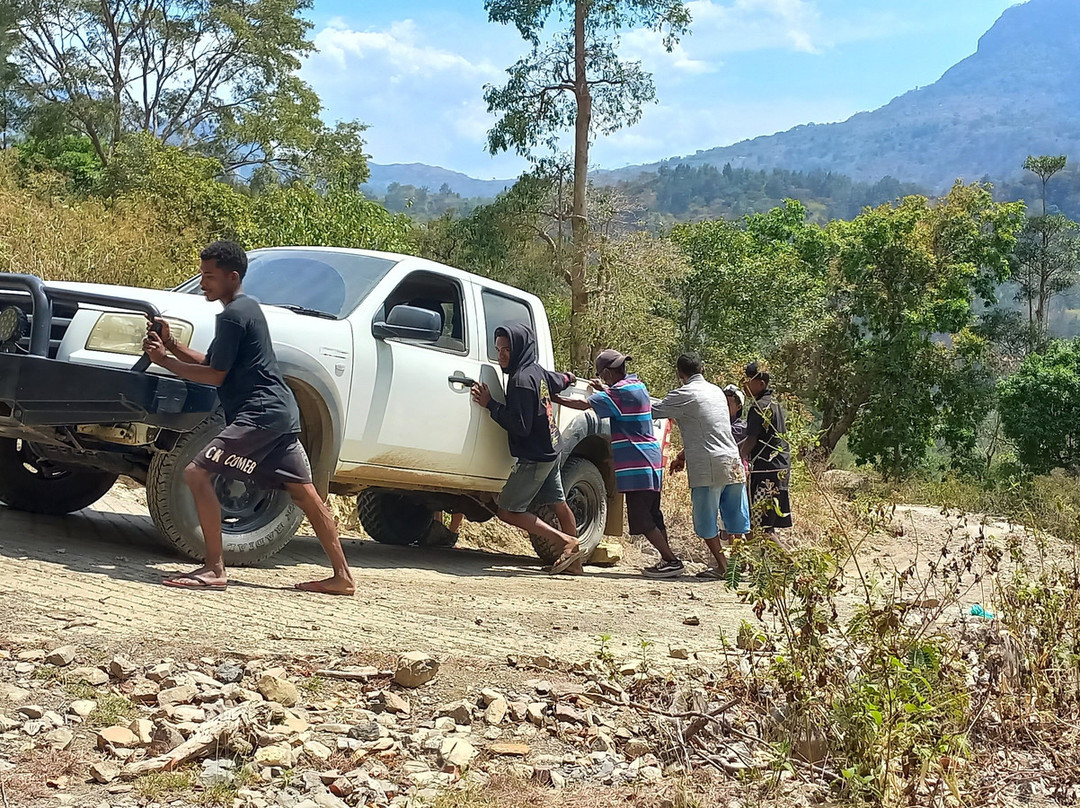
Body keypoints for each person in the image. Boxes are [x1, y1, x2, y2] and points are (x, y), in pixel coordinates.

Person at [142, 241, 356, 595]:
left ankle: (214, 569)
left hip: (259, 414)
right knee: (306, 496)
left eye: (210, 276)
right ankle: (343, 577)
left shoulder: (233, 316)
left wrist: (164, 361)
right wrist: (174, 346)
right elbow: (212, 362)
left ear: (232, 277)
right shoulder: (245, 309)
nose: (203, 283)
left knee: (196, 473)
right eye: (201, 275)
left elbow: (215, 377)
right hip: (279, 413)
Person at [556, 350, 683, 579]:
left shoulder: (619, 393)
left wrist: (554, 398)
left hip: (637, 463)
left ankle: (672, 560)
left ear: (606, 373)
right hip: (651, 460)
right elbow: (616, 401)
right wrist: (604, 390)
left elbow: (583, 404)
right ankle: (667, 560)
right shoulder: (637, 386)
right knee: (653, 514)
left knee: (642, 517)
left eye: (602, 375)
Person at [470, 324, 583, 574]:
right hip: (551, 448)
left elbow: (520, 426)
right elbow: (557, 381)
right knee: (559, 503)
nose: (501, 355)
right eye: (498, 349)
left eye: (507, 349)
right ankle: (574, 562)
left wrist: (490, 404)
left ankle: (566, 541)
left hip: (535, 456)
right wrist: (569, 377)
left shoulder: (520, 381)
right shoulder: (536, 371)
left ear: (520, 349)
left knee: (508, 511)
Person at [653, 353, 749, 580]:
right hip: (733, 460)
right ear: (702, 369)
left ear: (680, 374)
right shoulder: (717, 392)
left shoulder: (683, 394)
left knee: (706, 520)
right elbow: (711, 429)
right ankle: (737, 565)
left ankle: (723, 567)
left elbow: (651, 411)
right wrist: (682, 456)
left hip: (708, 466)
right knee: (736, 517)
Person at [742, 361, 793, 534]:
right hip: (780, 470)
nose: (744, 385)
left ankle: (784, 555)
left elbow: (751, 440)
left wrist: (736, 460)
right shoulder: (774, 404)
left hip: (766, 473)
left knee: (760, 528)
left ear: (761, 384)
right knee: (765, 526)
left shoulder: (759, 407)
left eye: (748, 381)